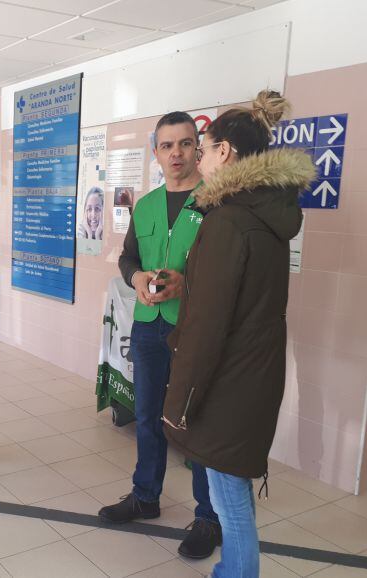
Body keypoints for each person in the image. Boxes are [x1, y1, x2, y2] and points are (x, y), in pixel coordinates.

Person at [162, 91, 314, 577]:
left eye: (202, 148)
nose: (198, 158)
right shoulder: (267, 213)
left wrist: (180, 399)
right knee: (235, 492)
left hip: (227, 384)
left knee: (230, 503)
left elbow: (207, 324)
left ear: (224, 152)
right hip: (253, 375)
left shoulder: (228, 221)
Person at [99, 111, 221, 560]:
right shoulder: (147, 205)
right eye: (167, 146)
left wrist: (185, 284)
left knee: (196, 423)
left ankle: (208, 517)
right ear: (156, 152)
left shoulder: (217, 202)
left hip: (194, 330)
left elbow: (225, 273)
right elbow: (128, 258)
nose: (176, 154)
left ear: (198, 149)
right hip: (149, 329)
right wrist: (136, 279)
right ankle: (145, 497)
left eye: (186, 144)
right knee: (147, 416)